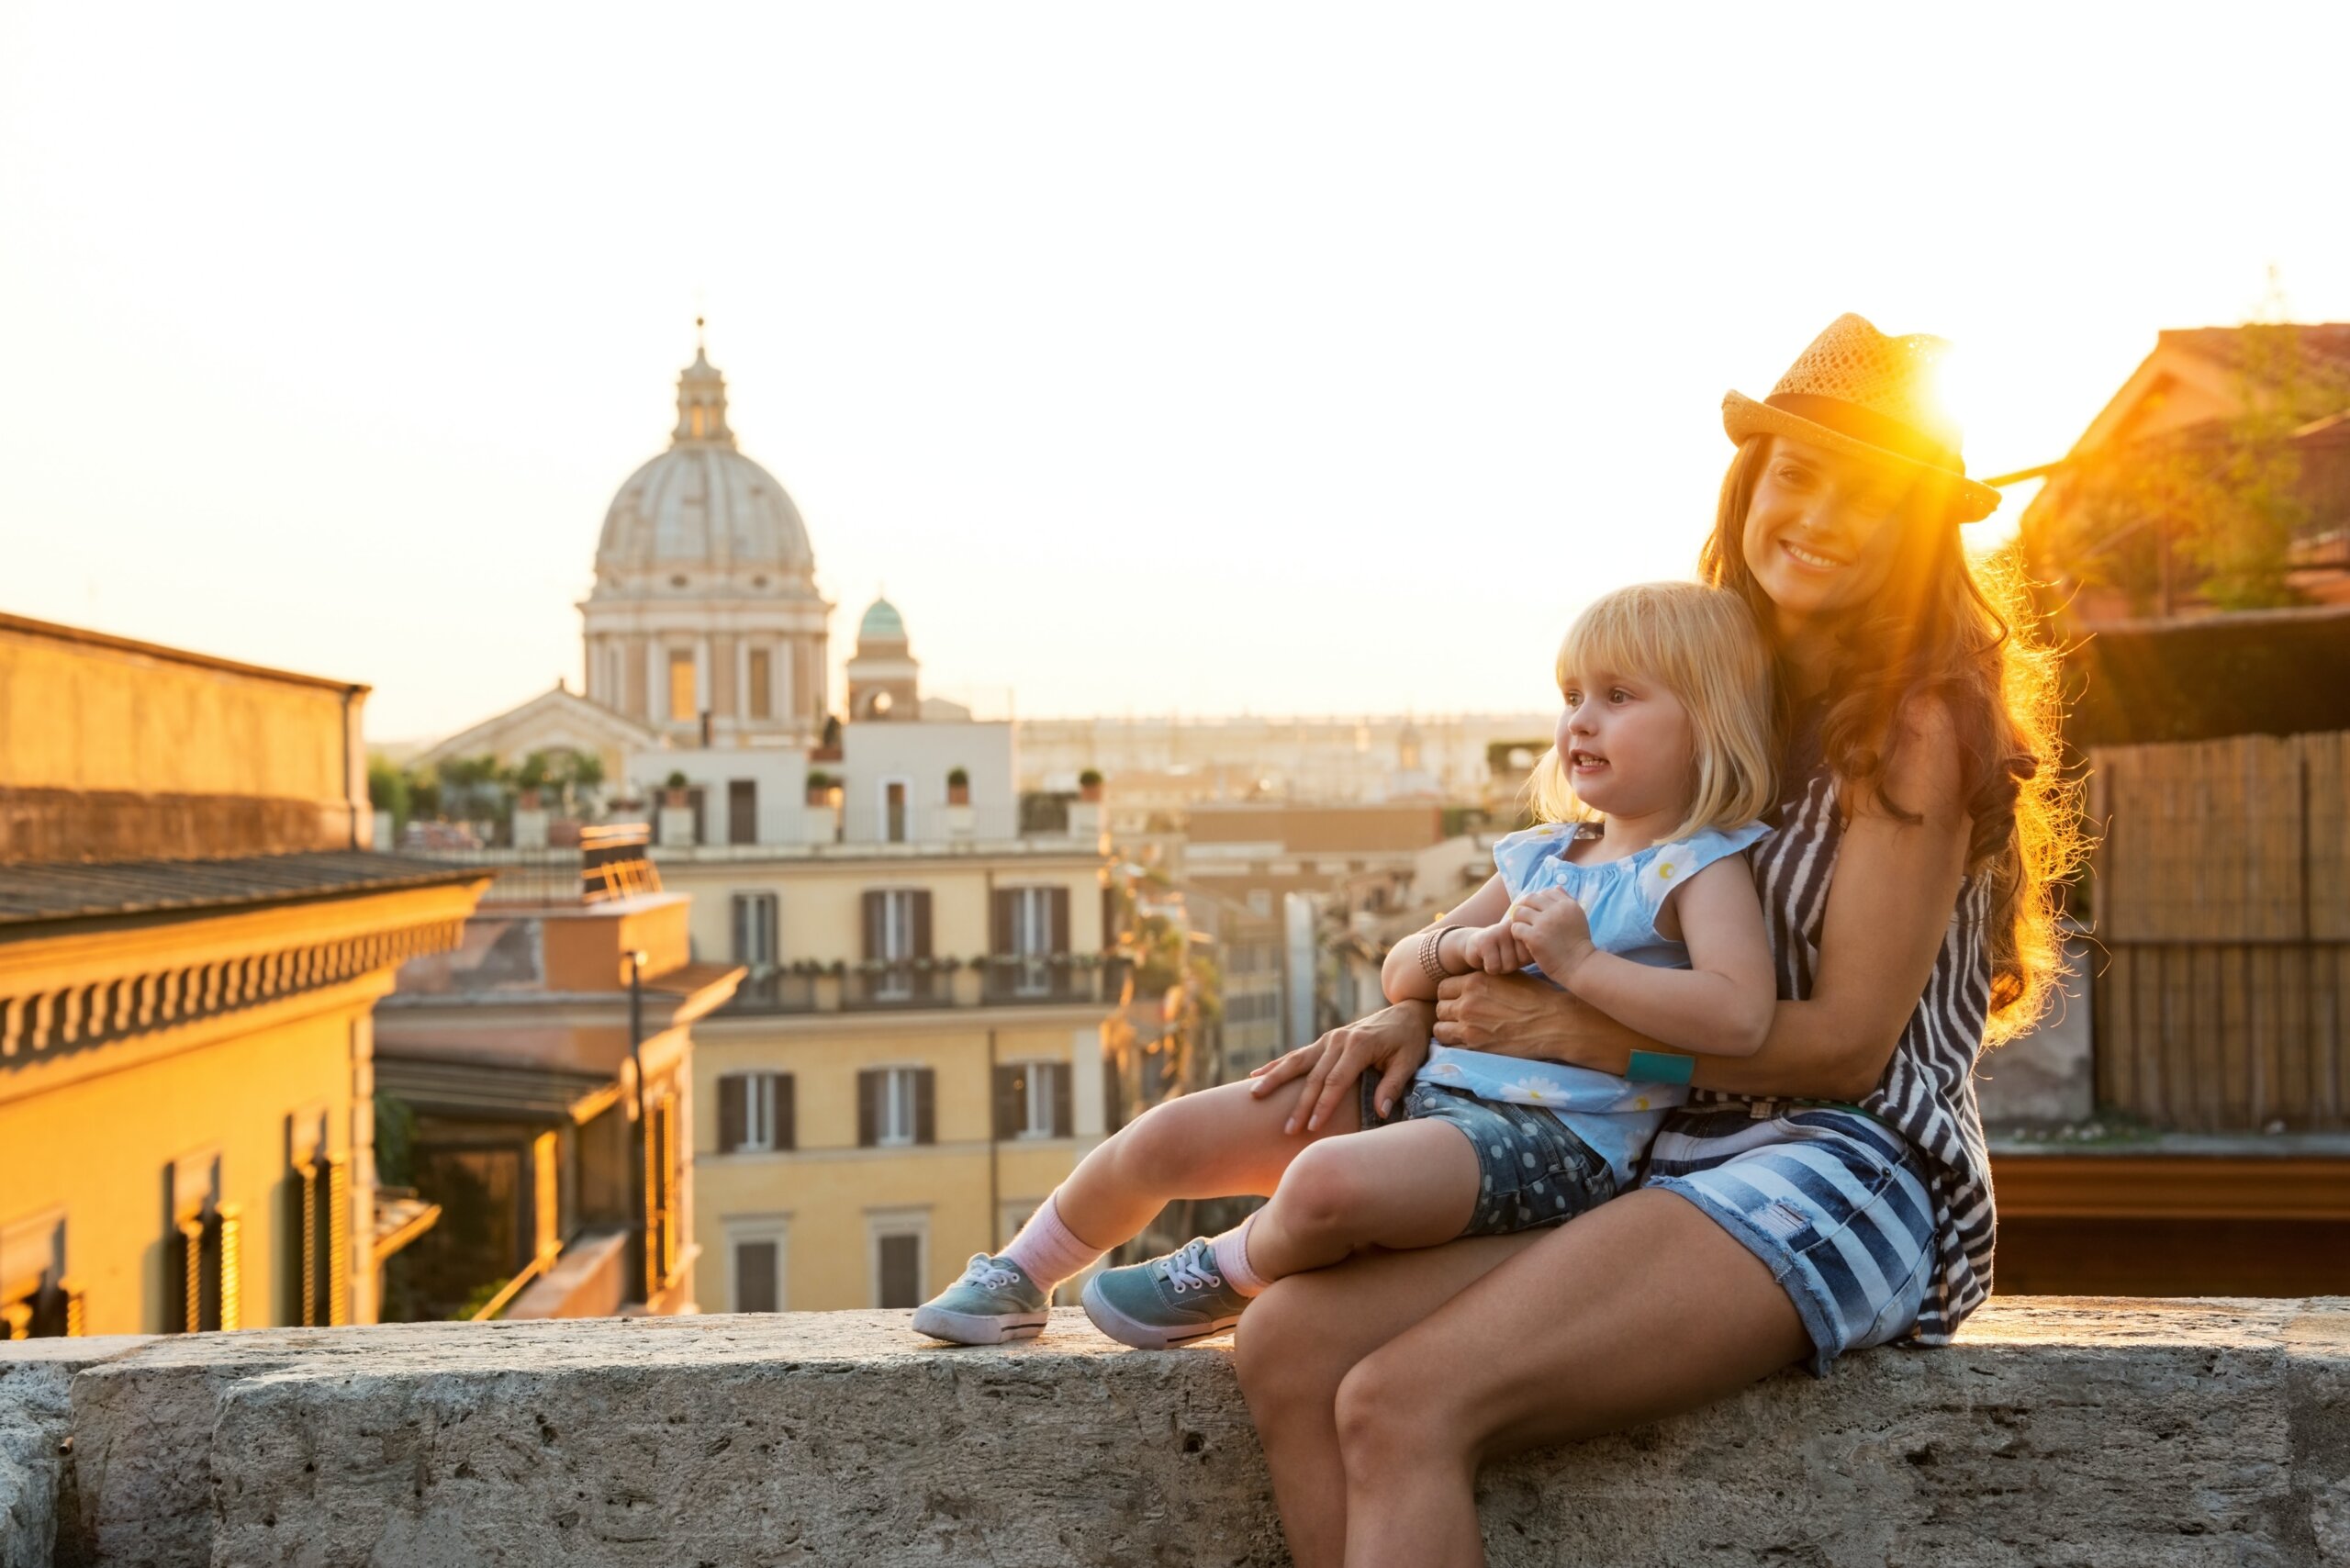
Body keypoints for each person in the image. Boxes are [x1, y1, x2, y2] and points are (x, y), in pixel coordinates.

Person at [1227, 314, 2083, 1566]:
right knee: (1288, 1347)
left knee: (1403, 1403)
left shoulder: (1916, 722)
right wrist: (1415, 1004)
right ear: (1750, 485)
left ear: (1920, 530)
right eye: (1796, 474)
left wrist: (1578, 1029)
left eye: (1869, 495)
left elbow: (1848, 1052)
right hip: (1657, 1149)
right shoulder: (1714, 688)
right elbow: (1578, 883)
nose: (1820, 515)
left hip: (1845, 1167)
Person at [910, 581, 1781, 1350]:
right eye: (1571, 695)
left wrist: (1581, 965)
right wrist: (1455, 949)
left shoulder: (1700, 867)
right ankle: (1022, 1273)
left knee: (1324, 1184)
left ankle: (1223, 1271)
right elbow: (1401, 970)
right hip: (1433, 1092)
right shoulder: (1546, 854)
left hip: (1557, 1145)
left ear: (1704, 725)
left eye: (1618, 696)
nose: (1579, 721)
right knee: (1168, 1134)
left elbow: (1740, 1017)